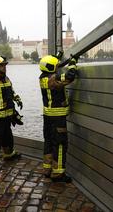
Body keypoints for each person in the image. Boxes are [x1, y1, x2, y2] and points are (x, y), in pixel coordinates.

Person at [39, 54, 78, 183]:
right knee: (60, 145)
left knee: (49, 142)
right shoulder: (53, 79)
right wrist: (72, 63)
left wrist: (57, 59)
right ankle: (58, 173)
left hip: (47, 117)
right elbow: (69, 76)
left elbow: (52, 69)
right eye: (55, 66)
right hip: (58, 117)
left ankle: (47, 169)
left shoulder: (42, 78)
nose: (57, 68)